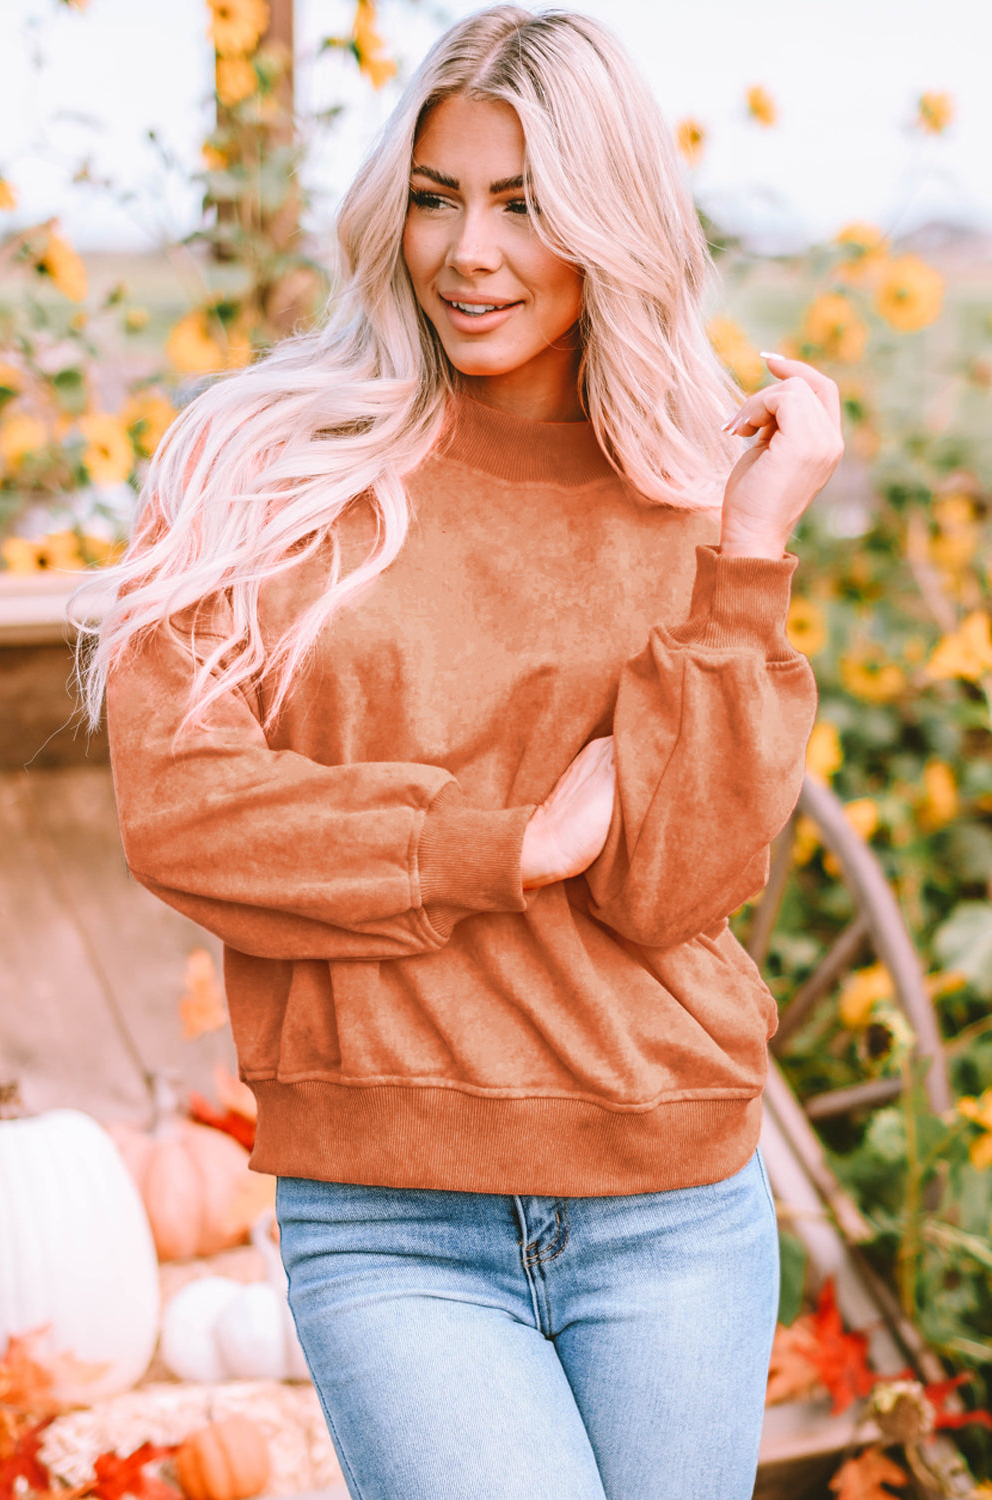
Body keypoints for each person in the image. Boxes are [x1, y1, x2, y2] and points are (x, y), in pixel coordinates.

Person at [74, 6, 843, 1496]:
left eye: (525, 204)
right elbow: (183, 811)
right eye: (436, 199)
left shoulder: (691, 493)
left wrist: (748, 551)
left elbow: (681, 884)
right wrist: (501, 841)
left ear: (609, 222)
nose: (468, 254)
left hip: (670, 1199)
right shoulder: (260, 471)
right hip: (391, 1213)